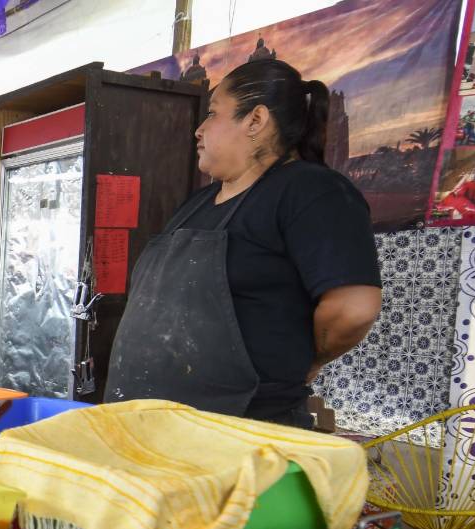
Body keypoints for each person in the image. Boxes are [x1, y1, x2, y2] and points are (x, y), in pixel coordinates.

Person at [105, 59, 382, 428]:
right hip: (146, 423)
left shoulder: (311, 191)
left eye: (213, 113)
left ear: (255, 120)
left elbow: (354, 308)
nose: (199, 130)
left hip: (237, 431)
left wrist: (309, 359)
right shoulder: (197, 204)